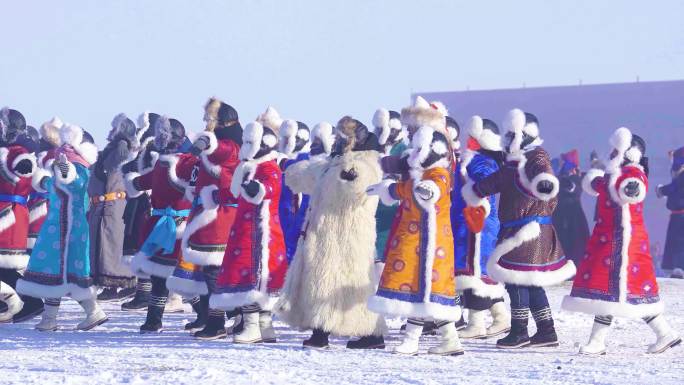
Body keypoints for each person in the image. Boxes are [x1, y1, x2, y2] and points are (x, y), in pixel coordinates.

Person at [462, 108, 575, 349]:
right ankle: (546, 331)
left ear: (523, 134)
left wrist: (545, 184)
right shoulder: (515, 160)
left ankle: (520, 331)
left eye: (511, 134)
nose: (506, 139)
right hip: (516, 229)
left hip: (529, 230)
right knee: (530, 282)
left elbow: (543, 175)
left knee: (517, 281)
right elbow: (497, 181)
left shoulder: (536, 155)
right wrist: (475, 191)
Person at [562, 127, 682, 355]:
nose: (613, 153)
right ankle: (663, 334)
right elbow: (600, 185)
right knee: (616, 290)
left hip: (624, 243)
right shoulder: (616, 173)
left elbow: (633, 189)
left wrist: (630, 188)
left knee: (617, 288)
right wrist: (593, 179)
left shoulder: (634, 174)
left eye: (617, 149)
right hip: (611, 240)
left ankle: (600, 342)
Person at [275, 116, 386, 349]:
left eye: (341, 137)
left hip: (350, 235)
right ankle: (324, 329)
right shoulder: (332, 163)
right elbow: (305, 175)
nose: (336, 140)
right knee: (323, 278)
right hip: (327, 233)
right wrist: (286, 166)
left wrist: (350, 174)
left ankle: (364, 333)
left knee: (350, 281)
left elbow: (359, 186)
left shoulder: (368, 164)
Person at [367, 97, 463, 356]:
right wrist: (384, 178)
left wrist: (399, 188)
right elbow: (404, 173)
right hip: (416, 234)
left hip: (431, 239)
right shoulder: (422, 167)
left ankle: (414, 339)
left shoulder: (438, 171)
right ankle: (449, 339)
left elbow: (431, 189)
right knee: (421, 287)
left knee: (425, 286)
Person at [17, 122, 108, 331]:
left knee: (62, 271)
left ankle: (86, 313)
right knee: (59, 273)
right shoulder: (72, 165)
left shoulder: (77, 167)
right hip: (60, 225)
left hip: (66, 228)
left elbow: (72, 183)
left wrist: (64, 169)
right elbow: (54, 185)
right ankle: (57, 318)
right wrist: (42, 179)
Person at [209, 107, 287, 344]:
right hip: (245, 229)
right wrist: (222, 194)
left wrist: (258, 189)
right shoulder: (248, 167)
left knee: (254, 276)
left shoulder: (268, 167)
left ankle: (254, 326)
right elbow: (235, 194)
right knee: (251, 274)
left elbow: (271, 188)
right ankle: (264, 327)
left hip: (261, 233)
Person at [176, 97, 242, 340]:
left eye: (209, 120)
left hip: (221, 215)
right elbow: (186, 171)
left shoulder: (232, 146)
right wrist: (187, 154)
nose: (205, 124)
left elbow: (221, 151)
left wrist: (207, 143)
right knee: (207, 270)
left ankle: (218, 322)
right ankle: (214, 317)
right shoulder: (209, 149)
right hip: (205, 213)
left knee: (214, 269)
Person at [125, 116, 196, 333]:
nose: (159, 139)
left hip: (178, 225)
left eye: (162, 134)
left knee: (183, 276)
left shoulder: (188, 162)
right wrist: (135, 182)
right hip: (160, 224)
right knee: (159, 275)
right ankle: (154, 320)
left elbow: (195, 182)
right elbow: (148, 182)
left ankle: (208, 316)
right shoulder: (162, 161)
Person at [453, 116, 510, 339]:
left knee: (475, 273)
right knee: (477, 273)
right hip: (469, 223)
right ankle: (500, 317)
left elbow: (487, 183)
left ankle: (476, 324)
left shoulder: (482, 162)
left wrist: (475, 195)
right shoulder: (472, 160)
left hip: (479, 225)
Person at [0, 108, 44, 323]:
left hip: (8, 216)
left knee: (6, 268)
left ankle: (32, 302)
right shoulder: (9, 150)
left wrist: (23, 165)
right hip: (8, 214)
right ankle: (17, 303)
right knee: (4, 269)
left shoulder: (17, 152)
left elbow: (24, 165)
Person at [89, 113, 139, 301]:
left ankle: (116, 283)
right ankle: (105, 282)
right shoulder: (111, 150)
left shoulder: (123, 149)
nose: (110, 132)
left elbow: (116, 162)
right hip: (103, 207)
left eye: (114, 129)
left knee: (114, 244)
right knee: (104, 244)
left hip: (114, 206)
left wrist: (123, 142)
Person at [120, 112, 159, 311]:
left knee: (148, 249)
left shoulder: (152, 150)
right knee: (142, 248)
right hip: (142, 203)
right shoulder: (146, 149)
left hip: (149, 204)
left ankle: (149, 294)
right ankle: (143, 293)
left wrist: (132, 174)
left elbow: (142, 171)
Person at [278, 119, 311, 264]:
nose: (287, 142)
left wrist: (284, 164)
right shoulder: (276, 157)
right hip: (280, 213)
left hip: (301, 214)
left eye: (291, 138)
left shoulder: (308, 158)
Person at [552, 149, 590, 267]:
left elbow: (572, 187)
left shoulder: (576, 179)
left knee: (575, 245)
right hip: (560, 216)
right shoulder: (559, 178)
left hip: (573, 218)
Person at [657, 146, 684, 278]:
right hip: (677, 214)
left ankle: (679, 267)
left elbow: (674, 187)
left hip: (681, 215)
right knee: (674, 241)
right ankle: (673, 267)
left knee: (679, 241)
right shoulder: (679, 175)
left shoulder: (681, 177)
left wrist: (661, 191)